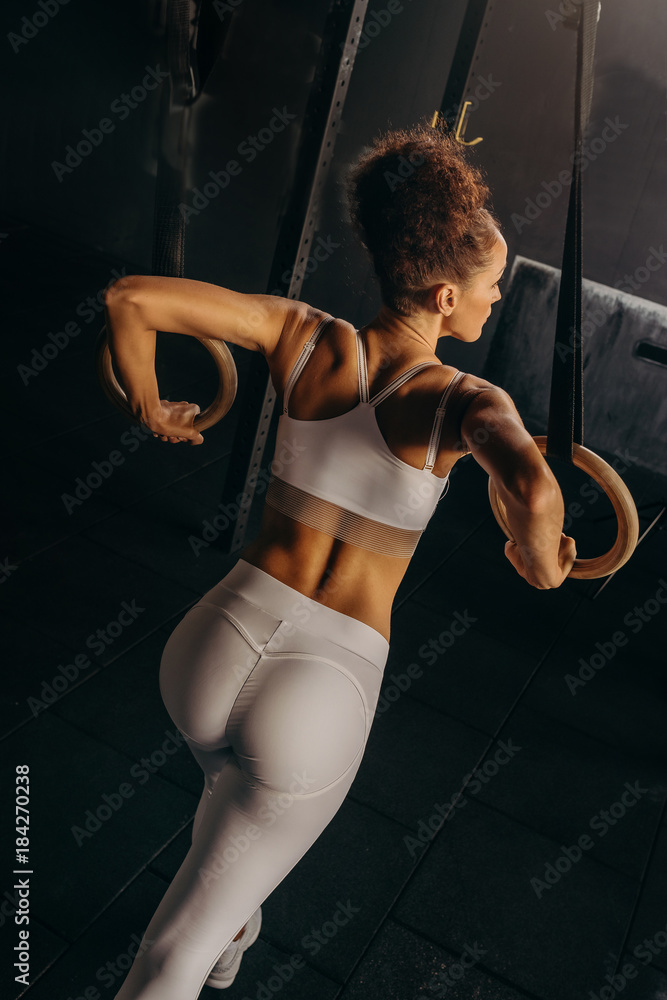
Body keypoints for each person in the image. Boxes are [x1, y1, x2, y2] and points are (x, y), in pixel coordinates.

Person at [103, 120, 576, 1000]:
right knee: (168, 960)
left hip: (212, 642)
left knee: (228, 801)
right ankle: (218, 937)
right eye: (490, 286)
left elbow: (131, 299)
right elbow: (537, 489)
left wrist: (153, 406)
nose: (495, 300)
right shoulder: (468, 401)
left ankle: (235, 927)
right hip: (320, 689)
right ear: (442, 295)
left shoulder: (303, 334)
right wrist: (538, 557)